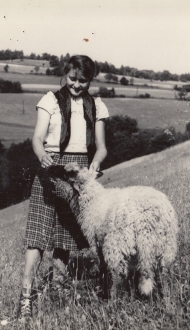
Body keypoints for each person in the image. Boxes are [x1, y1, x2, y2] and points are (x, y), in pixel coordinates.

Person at [18, 55, 109, 321]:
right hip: (50, 166)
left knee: (66, 235)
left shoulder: (97, 106)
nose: (77, 85)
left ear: (89, 80)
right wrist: (41, 156)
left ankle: (58, 289)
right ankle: (26, 298)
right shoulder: (50, 100)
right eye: (72, 79)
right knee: (38, 232)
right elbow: (37, 138)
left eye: (83, 81)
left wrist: (95, 163)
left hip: (79, 170)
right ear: (64, 74)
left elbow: (101, 146)